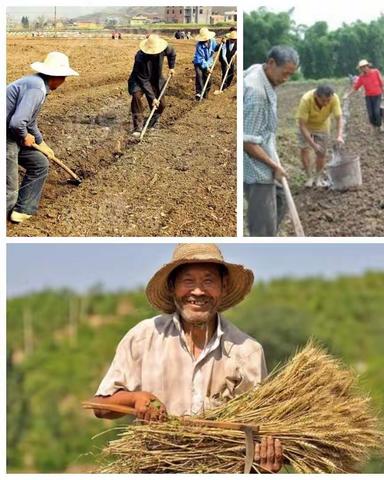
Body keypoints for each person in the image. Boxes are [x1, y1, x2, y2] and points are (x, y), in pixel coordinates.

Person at [91, 243, 284, 473]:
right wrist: (136, 399)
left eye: (208, 281)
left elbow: (258, 432)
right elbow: (99, 406)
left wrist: (266, 467)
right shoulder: (143, 338)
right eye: (188, 281)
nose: (198, 291)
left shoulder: (248, 352)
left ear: (222, 287)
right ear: (173, 287)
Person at [6, 51, 79, 223]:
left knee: (39, 162)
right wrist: (24, 136)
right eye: (64, 77)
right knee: (10, 187)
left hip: (10, 133)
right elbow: (18, 123)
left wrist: (42, 144)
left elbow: (29, 122)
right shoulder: (36, 88)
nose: (64, 82)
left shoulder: (37, 85)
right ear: (56, 76)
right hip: (7, 136)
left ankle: (23, 209)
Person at [243, 45, 299, 237]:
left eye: (290, 75)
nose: (286, 79)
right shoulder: (257, 94)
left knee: (281, 197)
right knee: (263, 227)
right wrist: (274, 165)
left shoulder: (259, 71)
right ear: (272, 63)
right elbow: (247, 142)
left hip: (264, 153)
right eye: (284, 74)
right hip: (256, 169)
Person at [296, 84, 344, 187]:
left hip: (322, 126)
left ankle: (318, 178)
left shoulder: (334, 98)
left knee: (321, 153)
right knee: (304, 150)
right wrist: (313, 144)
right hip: (306, 127)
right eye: (323, 101)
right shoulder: (306, 99)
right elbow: (302, 125)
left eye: (328, 100)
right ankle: (309, 176)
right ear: (316, 96)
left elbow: (339, 118)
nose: (326, 103)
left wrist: (339, 135)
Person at [128, 34, 176, 137]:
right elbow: (144, 80)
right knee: (136, 97)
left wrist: (171, 67)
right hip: (139, 79)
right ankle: (138, 127)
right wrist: (153, 98)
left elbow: (172, 53)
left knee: (161, 105)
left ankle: (152, 122)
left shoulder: (164, 48)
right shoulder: (140, 57)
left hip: (156, 78)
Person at [343, 59, 384, 131]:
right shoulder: (361, 77)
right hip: (368, 97)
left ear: (368, 66)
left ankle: (379, 126)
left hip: (377, 95)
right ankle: (374, 126)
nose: (363, 68)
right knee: (371, 115)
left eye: (364, 66)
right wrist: (348, 95)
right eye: (362, 67)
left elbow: (381, 84)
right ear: (360, 69)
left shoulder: (375, 72)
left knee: (376, 112)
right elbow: (356, 87)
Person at [192, 27, 218, 100]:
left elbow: (215, 48)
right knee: (199, 77)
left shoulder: (213, 41)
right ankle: (198, 93)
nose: (204, 40)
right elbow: (201, 58)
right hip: (199, 63)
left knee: (209, 80)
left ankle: (205, 93)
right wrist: (207, 68)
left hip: (209, 62)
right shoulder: (199, 45)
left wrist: (221, 44)